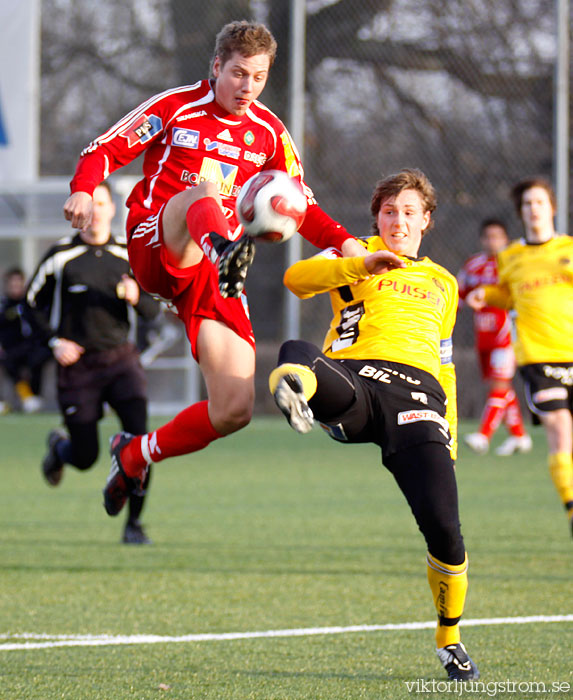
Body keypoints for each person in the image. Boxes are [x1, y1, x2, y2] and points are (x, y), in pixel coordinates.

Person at [61, 20, 365, 518]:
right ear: (217, 66)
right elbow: (105, 149)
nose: (248, 87)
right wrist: (81, 187)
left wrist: (347, 243)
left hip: (214, 272)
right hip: (159, 242)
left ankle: (134, 455)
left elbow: (299, 205)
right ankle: (224, 249)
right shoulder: (175, 106)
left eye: (260, 77)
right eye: (239, 74)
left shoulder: (269, 133)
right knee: (201, 194)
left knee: (233, 410)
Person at [269, 169, 479, 681]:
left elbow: (445, 364)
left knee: (445, 531)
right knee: (298, 352)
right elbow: (295, 281)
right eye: (389, 212)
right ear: (376, 217)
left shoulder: (444, 283)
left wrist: (447, 430)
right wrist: (359, 264)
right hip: (357, 379)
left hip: (419, 398)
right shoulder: (350, 250)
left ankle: (449, 639)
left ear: (426, 221)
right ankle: (298, 392)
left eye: (409, 213)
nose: (398, 222)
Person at [27, 182, 160, 545]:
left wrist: (137, 297)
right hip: (79, 367)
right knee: (86, 457)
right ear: (79, 210)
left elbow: (153, 309)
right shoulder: (60, 256)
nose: (96, 211)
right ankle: (59, 449)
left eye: (102, 203)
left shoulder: (129, 254)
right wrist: (54, 342)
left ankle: (133, 525)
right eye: (91, 204)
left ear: (112, 209)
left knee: (141, 444)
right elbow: (30, 303)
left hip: (122, 362)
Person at [466, 176, 573, 539]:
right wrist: (486, 295)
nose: (533, 209)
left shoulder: (569, 250)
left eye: (540, 202)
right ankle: (571, 508)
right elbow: (510, 297)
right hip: (539, 357)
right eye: (527, 204)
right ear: (521, 211)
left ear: (552, 207)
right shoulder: (510, 257)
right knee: (559, 426)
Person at [457, 219, 531, 456]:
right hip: (484, 335)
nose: (493, 241)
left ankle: (483, 436)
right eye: (488, 236)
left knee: (499, 384)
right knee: (500, 386)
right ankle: (520, 436)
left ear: (506, 239)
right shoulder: (473, 265)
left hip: (507, 333)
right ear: (482, 239)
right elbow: (459, 294)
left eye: (498, 236)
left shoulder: (513, 262)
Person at [0, 267, 51, 414]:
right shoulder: (4, 304)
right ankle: (26, 397)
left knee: (39, 358)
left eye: (19, 284)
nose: (16, 288)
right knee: (8, 361)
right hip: (11, 348)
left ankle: (34, 397)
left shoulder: (30, 303)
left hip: (31, 345)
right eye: (12, 284)